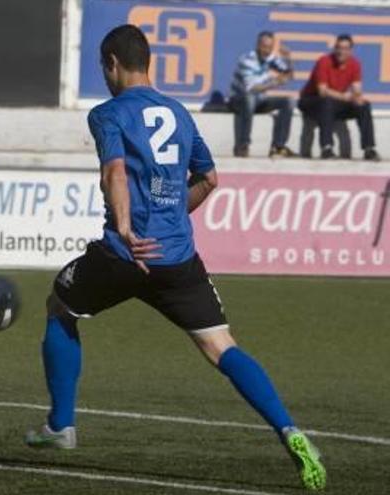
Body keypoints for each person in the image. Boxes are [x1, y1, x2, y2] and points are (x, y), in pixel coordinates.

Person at [23, 25, 326, 492]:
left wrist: (125, 227)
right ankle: (289, 429)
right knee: (222, 347)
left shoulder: (108, 113)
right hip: (178, 259)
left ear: (111, 63)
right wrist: (168, 214)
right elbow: (209, 179)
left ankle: (61, 425)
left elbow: (115, 171)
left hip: (125, 255)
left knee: (60, 308)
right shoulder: (179, 113)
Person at [299, 34, 380, 161]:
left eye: (345, 48)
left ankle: (369, 148)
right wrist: (344, 97)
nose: (341, 51)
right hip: (310, 101)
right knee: (326, 103)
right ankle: (327, 148)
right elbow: (322, 91)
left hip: (334, 102)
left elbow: (356, 88)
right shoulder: (324, 61)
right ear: (334, 48)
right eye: (338, 48)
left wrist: (357, 97)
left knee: (364, 105)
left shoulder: (355, 64)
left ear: (350, 50)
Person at [229, 31, 295, 158]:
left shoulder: (271, 58)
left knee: (288, 101)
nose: (267, 50)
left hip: (259, 100)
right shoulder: (247, 60)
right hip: (238, 100)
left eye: (270, 47)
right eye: (264, 47)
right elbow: (251, 88)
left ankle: (278, 146)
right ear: (258, 45)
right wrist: (275, 82)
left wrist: (288, 59)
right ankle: (243, 145)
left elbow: (288, 75)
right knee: (249, 99)